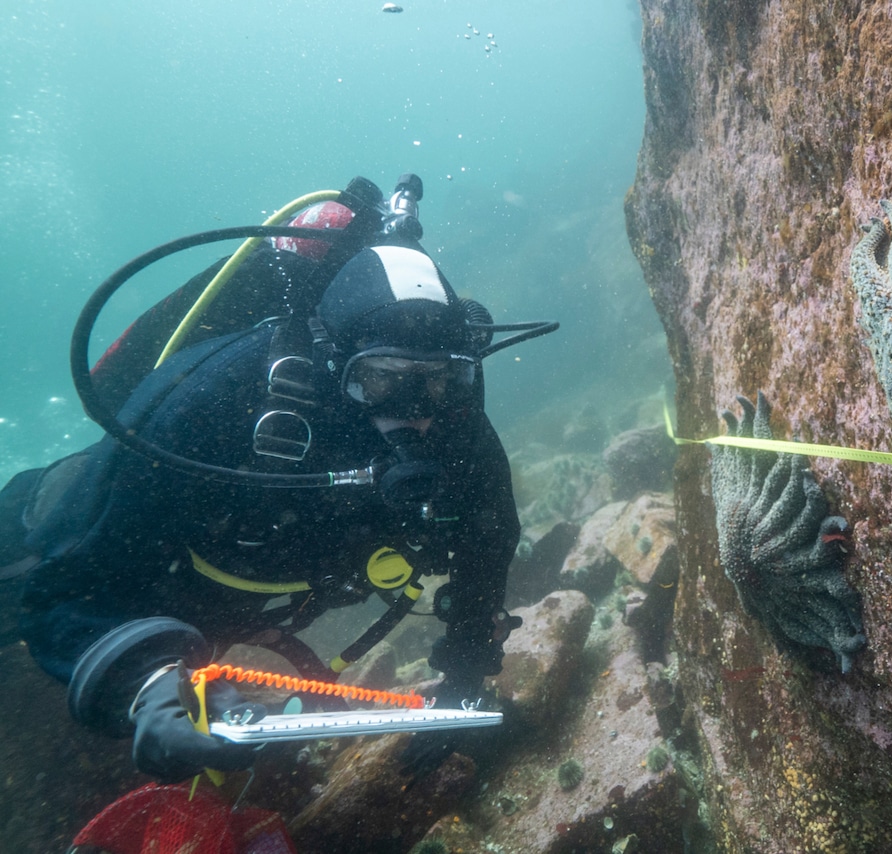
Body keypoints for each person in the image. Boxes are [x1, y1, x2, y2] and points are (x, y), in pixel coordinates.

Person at [0, 183, 541, 783]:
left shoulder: (457, 426)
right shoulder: (210, 399)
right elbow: (66, 591)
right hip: (51, 542)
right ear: (332, 363)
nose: (415, 412)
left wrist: (463, 678)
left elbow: (488, 540)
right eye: (380, 378)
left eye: (435, 382)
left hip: (235, 598)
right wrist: (148, 684)